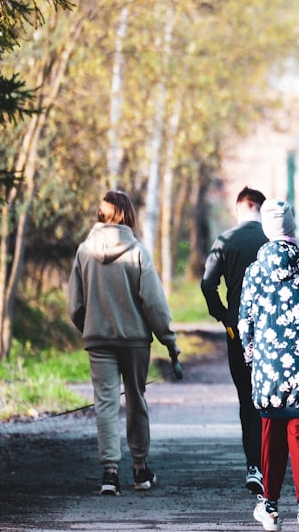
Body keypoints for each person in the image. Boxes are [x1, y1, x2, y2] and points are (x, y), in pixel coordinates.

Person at [68, 190, 179, 496]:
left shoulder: (83, 252)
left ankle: (109, 473)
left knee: (104, 403)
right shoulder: (138, 252)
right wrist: (169, 341)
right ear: (129, 215)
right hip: (135, 340)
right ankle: (141, 470)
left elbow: (75, 306)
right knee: (136, 399)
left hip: (98, 340)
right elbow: (154, 304)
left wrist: (90, 327)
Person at [238, 199, 299, 532]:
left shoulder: (253, 273)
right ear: (292, 228)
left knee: (271, 439)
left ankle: (269, 509)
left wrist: (254, 360)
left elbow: (244, 325)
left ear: (267, 230)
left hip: (268, 372)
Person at [200, 186, 269, 494]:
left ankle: (253, 464)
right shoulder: (272, 242)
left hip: (236, 331)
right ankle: (271, 463)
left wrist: (223, 314)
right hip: (272, 331)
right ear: (261, 209)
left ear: (240, 208)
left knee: (247, 397)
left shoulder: (225, 241)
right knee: (270, 398)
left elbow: (207, 283)